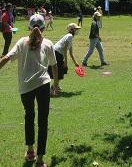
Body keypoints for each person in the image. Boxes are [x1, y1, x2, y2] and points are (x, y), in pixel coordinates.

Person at [0, 14, 59, 167]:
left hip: (25, 87)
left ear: (28, 26)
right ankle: (40, 160)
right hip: (43, 85)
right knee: (43, 121)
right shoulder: (48, 43)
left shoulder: (21, 42)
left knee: (29, 116)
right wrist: (56, 84)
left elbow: (7, 57)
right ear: (44, 27)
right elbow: (54, 65)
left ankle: (30, 151)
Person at [48, 23, 81, 94]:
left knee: (61, 70)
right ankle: (53, 88)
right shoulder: (69, 36)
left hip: (58, 54)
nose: (77, 30)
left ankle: (56, 86)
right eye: (76, 29)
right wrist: (65, 62)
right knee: (60, 70)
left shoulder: (70, 37)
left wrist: (76, 63)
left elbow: (71, 53)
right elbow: (65, 50)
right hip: (57, 54)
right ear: (71, 30)